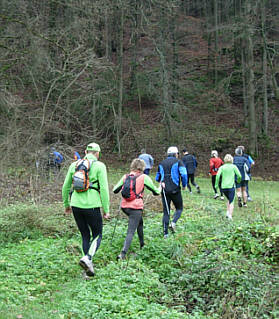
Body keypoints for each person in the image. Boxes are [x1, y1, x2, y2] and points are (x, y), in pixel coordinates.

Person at [62, 142, 110, 278]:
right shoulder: (100, 166)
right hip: (92, 205)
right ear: (98, 153)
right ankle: (88, 257)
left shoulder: (74, 165)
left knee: (85, 235)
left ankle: (87, 270)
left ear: (85, 152)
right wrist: (106, 210)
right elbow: (104, 189)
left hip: (76, 205)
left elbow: (65, 187)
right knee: (97, 235)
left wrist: (67, 205)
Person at [113, 158, 161, 260]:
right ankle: (123, 253)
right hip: (135, 208)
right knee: (131, 230)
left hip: (125, 207)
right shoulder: (144, 177)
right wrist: (161, 186)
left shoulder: (125, 176)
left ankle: (142, 244)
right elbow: (156, 192)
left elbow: (115, 190)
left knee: (139, 222)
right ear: (142, 167)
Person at [155, 146, 187, 238]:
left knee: (166, 211)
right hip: (175, 189)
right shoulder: (179, 162)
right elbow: (184, 174)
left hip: (164, 190)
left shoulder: (161, 163)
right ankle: (173, 222)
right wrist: (184, 185)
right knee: (179, 208)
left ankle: (165, 234)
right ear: (176, 154)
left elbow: (157, 178)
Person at [215, 154, 242, 220]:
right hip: (231, 186)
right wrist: (238, 181)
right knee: (232, 201)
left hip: (223, 187)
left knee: (229, 199)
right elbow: (239, 176)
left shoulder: (222, 167)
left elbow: (218, 176)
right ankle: (230, 215)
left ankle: (227, 212)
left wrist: (216, 185)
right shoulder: (233, 167)